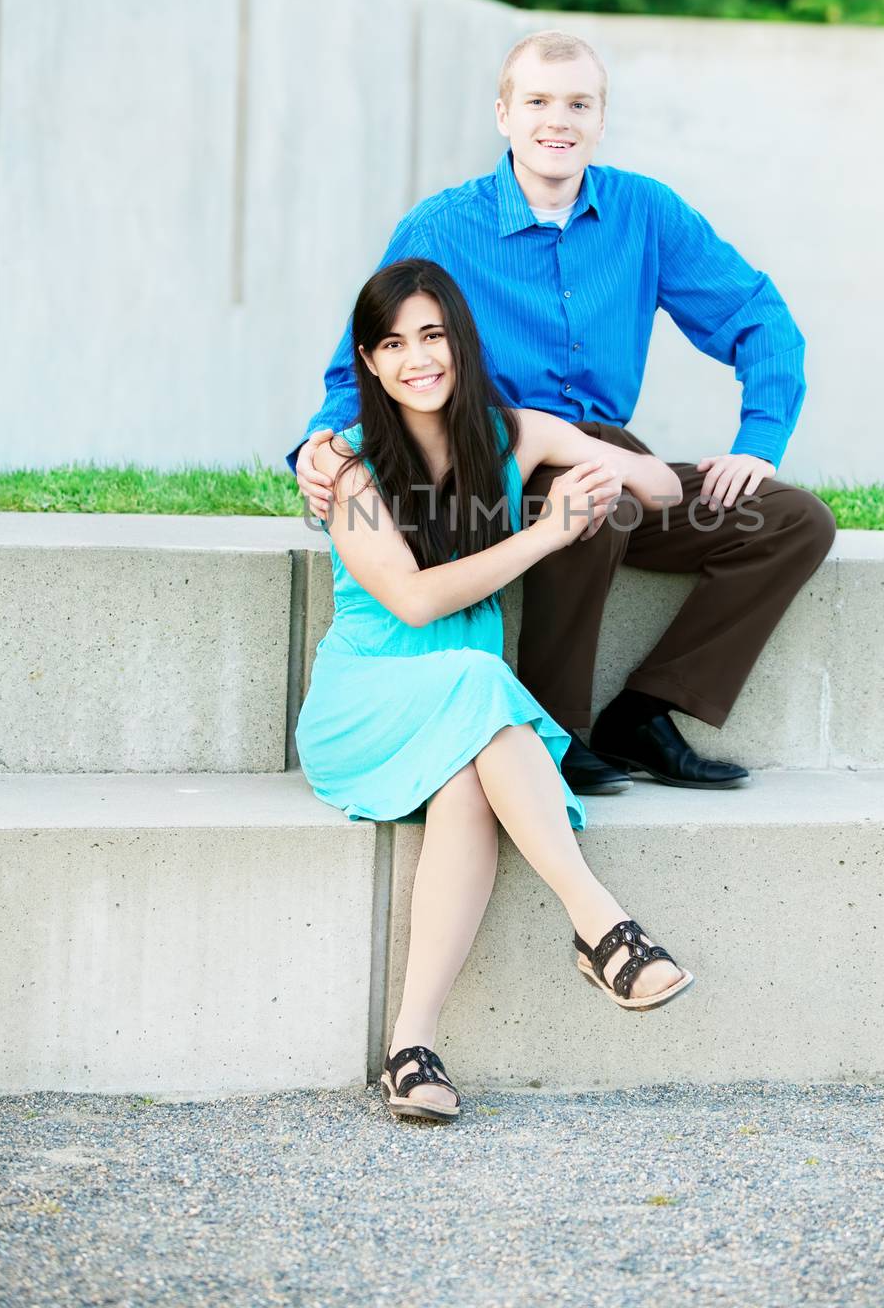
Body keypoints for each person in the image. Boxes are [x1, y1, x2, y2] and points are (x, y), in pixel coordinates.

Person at [291, 30, 836, 799]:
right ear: (504, 115)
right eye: (539, 102)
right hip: (492, 469)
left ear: (601, 119)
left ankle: (645, 711)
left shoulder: (644, 213)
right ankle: (552, 729)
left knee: (789, 523)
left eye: (578, 103)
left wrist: (759, 441)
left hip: (609, 451)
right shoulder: (444, 227)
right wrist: (320, 442)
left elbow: (756, 314)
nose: (559, 120)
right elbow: (374, 348)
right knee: (592, 493)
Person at [295, 257, 693, 1122]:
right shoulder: (349, 470)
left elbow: (662, 488)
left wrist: (609, 472)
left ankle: (411, 1046)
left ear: (459, 341)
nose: (416, 359)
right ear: (368, 362)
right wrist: (548, 535)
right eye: (392, 344)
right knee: (484, 679)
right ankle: (598, 922)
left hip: (463, 716)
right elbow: (412, 599)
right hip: (367, 702)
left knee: (475, 776)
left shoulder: (515, 435)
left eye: (431, 336)